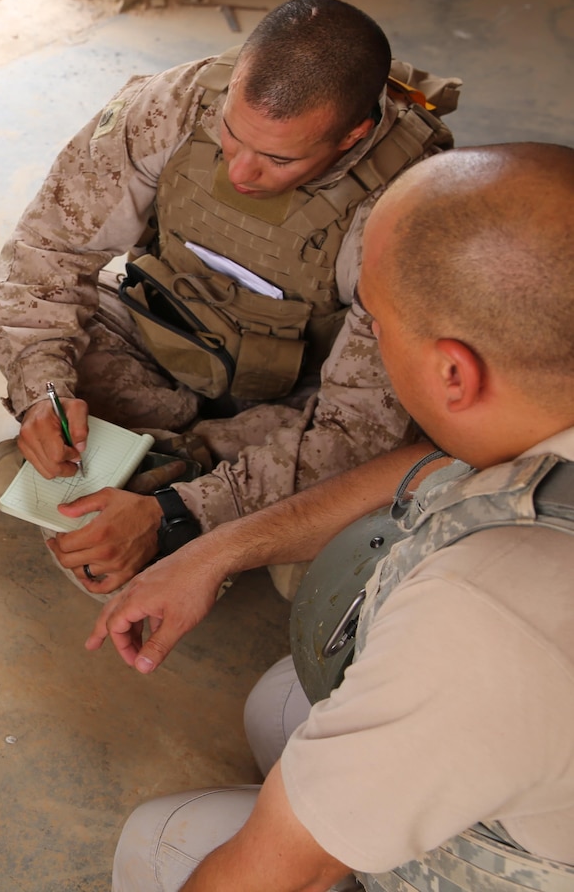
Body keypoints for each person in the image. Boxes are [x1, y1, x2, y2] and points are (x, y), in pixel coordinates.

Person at [97, 144, 574, 891]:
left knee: (162, 844)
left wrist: (302, 841)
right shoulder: (542, 406)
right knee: (281, 705)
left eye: (379, 323)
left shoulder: (487, 614)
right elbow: (434, 465)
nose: (373, 340)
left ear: (454, 371)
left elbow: (276, 876)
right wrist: (214, 549)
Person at [0, 0, 461, 596]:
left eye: (278, 158)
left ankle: (143, 487)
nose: (240, 173)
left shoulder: (413, 211)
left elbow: (360, 426)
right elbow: (49, 252)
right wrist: (42, 395)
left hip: (299, 392)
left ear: (352, 135)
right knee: (63, 327)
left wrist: (186, 511)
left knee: (381, 455)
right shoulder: (173, 105)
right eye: (232, 134)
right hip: (162, 334)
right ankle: (180, 494)